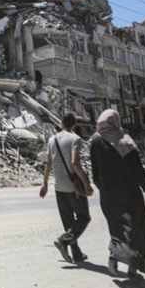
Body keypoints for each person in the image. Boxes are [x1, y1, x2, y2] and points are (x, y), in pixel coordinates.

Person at [89, 109, 145, 280]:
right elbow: (138, 169)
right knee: (135, 229)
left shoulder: (95, 141)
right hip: (130, 193)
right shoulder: (124, 140)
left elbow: (95, 173)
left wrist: (104, 189)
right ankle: (133, 270)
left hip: (108, 194)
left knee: (116, 228)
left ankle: (114, 255)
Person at [39, 113, 94, 263]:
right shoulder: (75, 139)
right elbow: (75, 162)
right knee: (83, 217)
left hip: (58, 187)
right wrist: (87, 184)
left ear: (61, 122)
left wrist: (45, 184)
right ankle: (63, 241)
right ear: (74, 125)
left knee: (68, 222)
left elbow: (48, 164)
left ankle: (76, 253)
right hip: (73, 187)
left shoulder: (52, 140)